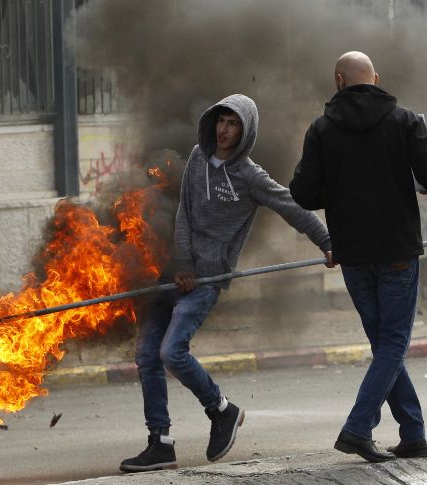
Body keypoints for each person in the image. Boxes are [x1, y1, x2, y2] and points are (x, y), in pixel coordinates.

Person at [120, 94, 333, 472]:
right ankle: (160, 442)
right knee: (147, 356)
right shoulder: (198, 159)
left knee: (173, 352)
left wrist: (328, 243)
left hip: (208, 278)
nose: (223, 128)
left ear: (245, 130)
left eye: (233, 123)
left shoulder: (251, 176)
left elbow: (292, 207)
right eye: (220, 120)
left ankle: (222, 410)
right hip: (174, 270)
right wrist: (181, 261)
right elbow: (183, 214)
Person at [289, 51, 427, 463]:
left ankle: (413, 435)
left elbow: (303, 193)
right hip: (397, 249)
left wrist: (342, 191)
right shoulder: (406, 121)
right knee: (393, 343)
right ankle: (359, 428)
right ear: (375, 79)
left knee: (384, 344)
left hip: (354, 255)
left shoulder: (321, 129)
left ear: (339, 80)